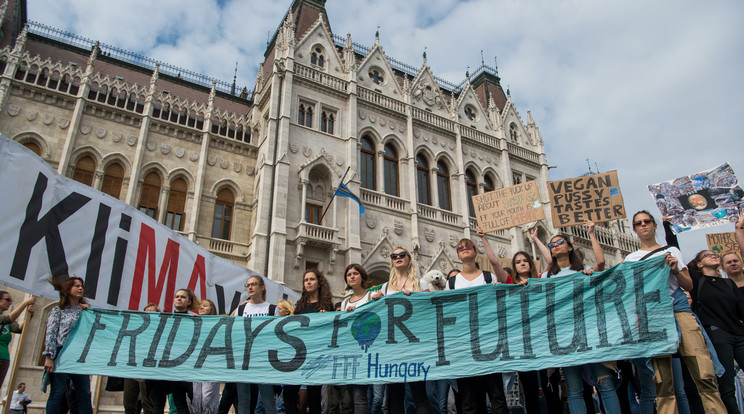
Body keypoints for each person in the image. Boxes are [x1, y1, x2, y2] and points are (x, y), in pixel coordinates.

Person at [625, 210, 726, 414]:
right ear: (634, 229)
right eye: (638, 223)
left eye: (647, 221)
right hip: (654, 319)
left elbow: (688, 285)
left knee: (703, 373)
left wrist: (675, 270)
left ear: (654, 225)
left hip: (679, 312)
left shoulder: (671, 251)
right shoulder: (631, 259)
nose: (643, 225)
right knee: (663, 383)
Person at [478, 225, 560, 414]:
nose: (522, 264)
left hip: (543, 340)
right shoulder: (510, 284)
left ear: (530, 264)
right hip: (523, 345)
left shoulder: (540, 280)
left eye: (525, 261)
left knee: (550, 388)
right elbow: (495, 263)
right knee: (530, 391)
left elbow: (549, 260)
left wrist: (535, 239)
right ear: (514, 267)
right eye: (518, 262)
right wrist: (484, 239)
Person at [541, 221, 621, 414]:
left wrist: (592, 233)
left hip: (591, 333)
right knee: (574, 390)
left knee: (605, 385)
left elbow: (601, 264)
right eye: (551, 245)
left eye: (559, 242)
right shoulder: (546, 278)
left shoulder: (584, 270)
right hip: (565, 336)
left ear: (570, 247)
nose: (555, 245)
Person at [446, 238, 507, 413]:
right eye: (460, 248)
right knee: (468, 399)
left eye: (468, 246)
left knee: (496, 396)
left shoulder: (489, 277)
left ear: (475, 251)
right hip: (464, 347)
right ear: (457, 254)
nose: (464, 249)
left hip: (489, 344)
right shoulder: (452, 283)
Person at [372, 247, 431, 414]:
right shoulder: (384, 287)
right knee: (395, 393)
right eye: (394, 256)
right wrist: (376, 299)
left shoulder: (421, 283)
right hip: (393, 344)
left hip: (414, 343)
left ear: (409, 259)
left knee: (418, 391)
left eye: (402, 255)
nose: (398, 257)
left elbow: (431, 307)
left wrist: (416, 296)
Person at [687, 245, 744, 414]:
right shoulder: (697, 283)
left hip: (739, 334)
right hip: (718, 335)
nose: (713, 256)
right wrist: (669, 227)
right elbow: (676, 252)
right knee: (727, 384)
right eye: (707, 255)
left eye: (714, 254)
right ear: (699, 265)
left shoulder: (729, 283)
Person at [283, 270, 335, 414]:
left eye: (312, 279)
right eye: (306, 280)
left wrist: (325, 320)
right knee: (289, 392)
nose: (308, 282)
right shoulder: (300, 306)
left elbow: (331, 332)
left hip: (316, 356)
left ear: (319, 283)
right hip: (299, 355)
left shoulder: (327, 306)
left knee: (314, 396)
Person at [43, 276, 93, 414]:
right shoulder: (58, 310)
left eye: (81, 286)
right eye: (76, 286)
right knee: (57, 393)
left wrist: (89, 311)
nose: (80, 288)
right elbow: (51, 334)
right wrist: (49, 357)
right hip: (62, 353)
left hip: (79, 355)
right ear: (67, 289)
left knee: (85, 393)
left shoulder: (86, 311)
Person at [231, 276, 280, 414]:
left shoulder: (272, 309)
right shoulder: (241, 310)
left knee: (268, 400)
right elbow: (234, 332)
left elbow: (274, 335)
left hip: (263, 359)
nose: (250, 288)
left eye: (253, 284)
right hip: (244, 359)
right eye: (247, 285)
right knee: (243, 400)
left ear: (262, 287)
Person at [147, 289, 197, 414]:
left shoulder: (194, 321)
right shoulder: (164, 319)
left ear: (189, 302)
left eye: (183, 297)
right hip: (162, 366)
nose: (179, 299)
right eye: (177, 296)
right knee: (158, 403)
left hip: (179, 367)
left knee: (180, 402)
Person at [340, 264, 372, 414]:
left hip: (367, 351)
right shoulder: (344, 303)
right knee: (350, 398)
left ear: (362, 276)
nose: (352, 276)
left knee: (361, 396)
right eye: (349, 274)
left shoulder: (372, 297)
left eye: (355, 273)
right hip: (349, 352)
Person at [123, 304, 159, 414]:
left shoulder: (159, 330)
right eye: (146, 311)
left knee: (147, 403)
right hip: (133, 369)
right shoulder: (136, 328)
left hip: (148, 370)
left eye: (152, 311)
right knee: (129, 402)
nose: (149, 312)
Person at [190, 299, 221, 414]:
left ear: (212, 309)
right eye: (200, 306)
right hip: (195, 364)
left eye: (205, 306)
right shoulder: (193, 322)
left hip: (210, 364)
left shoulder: (218, 324)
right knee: (195, 396)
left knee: (207, 396)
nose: (201, 308)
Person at [0, 292, 35, 390]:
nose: (10, 303)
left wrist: (30, 315)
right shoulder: (5, 319)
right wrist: (24, 304)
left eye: (11, 300)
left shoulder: (8, 323)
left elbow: (19, 329)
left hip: (4, 358)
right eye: (7, 300)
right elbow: (8, 319)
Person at [722, 215, 744, 286]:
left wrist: (739, 228)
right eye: (728, 262)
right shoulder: (724, 287)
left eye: (735, 261)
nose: (733, 264)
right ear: (723, 268)